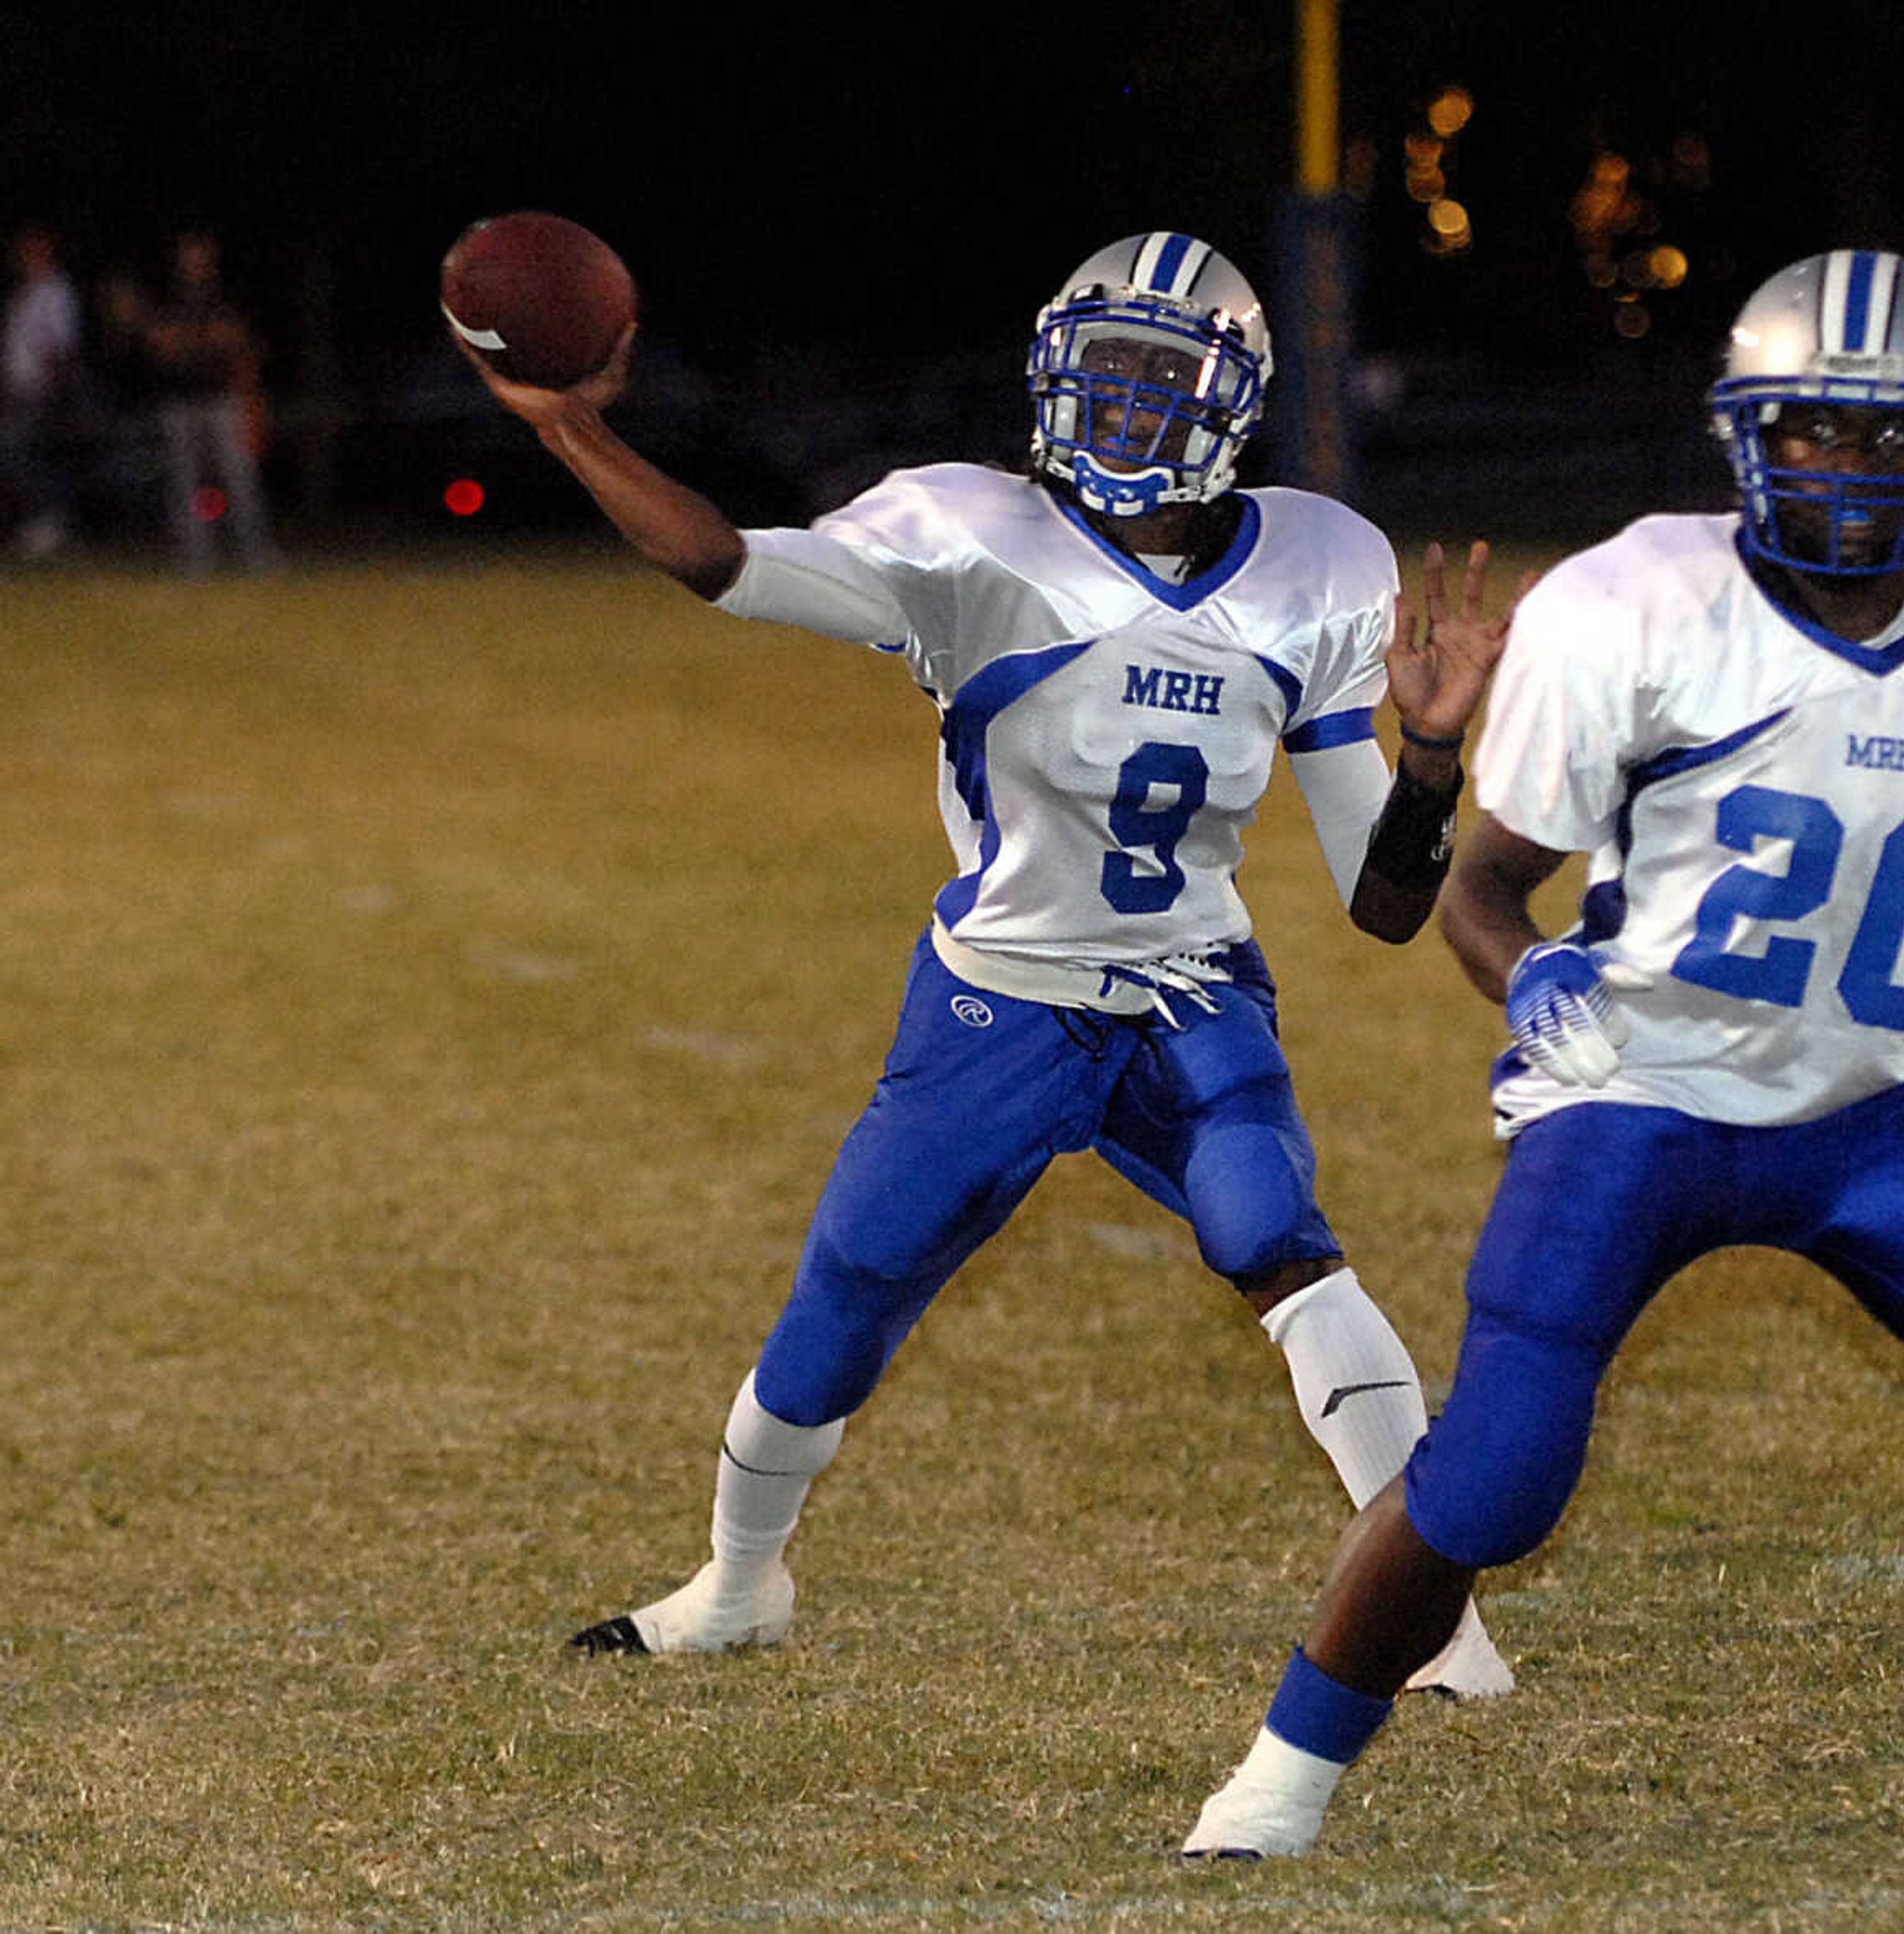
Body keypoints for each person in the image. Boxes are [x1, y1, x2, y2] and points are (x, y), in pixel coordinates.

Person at [1184, 247, 1904, 1857]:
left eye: (1882, 435)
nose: (1842, 469)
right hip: (1638, 1105)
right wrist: (1531, 989)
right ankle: (1280, 1781)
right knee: (1494, 1480)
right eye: (1807, 430)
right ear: (1742, 434)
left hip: (1875, 1114)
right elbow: (1482, 889)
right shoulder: (1639, 601)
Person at [456, 230, 1514, 1698]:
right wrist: (571, 422)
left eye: (1163, 383)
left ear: (1230, 404)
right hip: (998, 997)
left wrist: (1436, 758)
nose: (1127, 414)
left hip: (1186, 983)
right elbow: (723, 560)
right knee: (848, 1291)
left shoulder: (1321, 565)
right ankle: (736, 1583)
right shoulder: (964, 536)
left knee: (1272, 1223)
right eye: (1107, 377)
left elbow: (1384, 903)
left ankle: (1436, 1623)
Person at [136, 228, 280, 574]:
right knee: (185, 481)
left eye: (201, 255)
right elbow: (161, 346)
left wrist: (193, 343)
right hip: (178, 400)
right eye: (189, 255)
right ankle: (195, 558)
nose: (195, 262)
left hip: (221, 399)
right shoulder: (167, 298)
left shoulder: (226, 297)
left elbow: (235, 340)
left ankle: (256, 554)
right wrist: (199, 341)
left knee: (239, 477)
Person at [1, 223, 83, 560]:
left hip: (40, 391)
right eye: (24, 251)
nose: (27, 257)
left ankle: (53, 518)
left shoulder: (56, 291)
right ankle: (47, 520)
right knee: (18, 452)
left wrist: (53, 390)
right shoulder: (24, 293)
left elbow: (61, 345)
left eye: (36, 250)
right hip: (17, 389)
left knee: (18, 451)